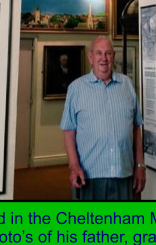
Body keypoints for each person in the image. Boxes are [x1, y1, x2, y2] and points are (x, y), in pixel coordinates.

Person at [61, 36, 146, 200]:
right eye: (99, 53)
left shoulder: (127, 85)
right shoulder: (76, 89)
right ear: (90, 57)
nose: (104, 58)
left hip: (124, 174)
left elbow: (136, 128)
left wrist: (140, 165)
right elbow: (68, 130)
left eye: (108, 53)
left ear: (113, 56)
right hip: (89, 177)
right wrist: (73, 165)